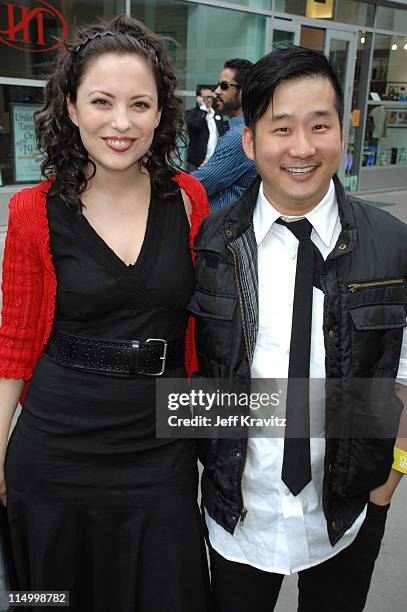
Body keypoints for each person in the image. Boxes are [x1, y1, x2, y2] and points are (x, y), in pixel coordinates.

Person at [0, 16, 211, 612]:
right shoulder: (30, 211)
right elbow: (14, 343)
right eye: (101, 101)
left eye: (139, 104)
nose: (121, 122)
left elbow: (202, 331)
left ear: (159, 113)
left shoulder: (189, 199)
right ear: (70, 107)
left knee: (167, 592)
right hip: (56, 449)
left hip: (161, 447)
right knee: (50, 597)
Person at [189, 46, 407, 612]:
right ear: (250, 141)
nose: (302, 148)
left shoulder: (391, 243)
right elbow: (195, 372)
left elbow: (402, 370)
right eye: (281, 127)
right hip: (238, 515)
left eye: (319, 125)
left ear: (341, 130)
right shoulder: (208, 243)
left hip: (347, 514)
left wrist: (384, 487)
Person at [192, 59, 257, 212]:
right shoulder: (244, 128)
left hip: (223, 230)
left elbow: (200, 184)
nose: (216, 91)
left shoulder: (240, 136)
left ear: (244, 92)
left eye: (224, 86)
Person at [186, 84, 224, 172]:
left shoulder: (217, 115)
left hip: (215, 164)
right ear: (199, 98)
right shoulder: (191, 114)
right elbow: (195, 126)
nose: (210, 100)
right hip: (197, 165)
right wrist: (203, 109)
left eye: (211, 97)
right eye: (206, 97)